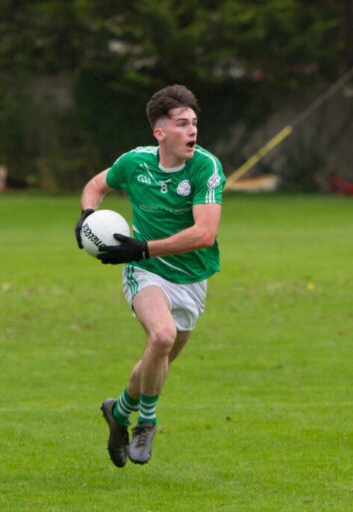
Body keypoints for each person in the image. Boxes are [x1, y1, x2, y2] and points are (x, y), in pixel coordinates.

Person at [74, 84, 225, 466]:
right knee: (161, 336)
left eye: (194, 123)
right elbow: (96, 185)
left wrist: (142, 245)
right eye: (181, 123)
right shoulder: (135, 163)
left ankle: (118, 413)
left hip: (191, 279)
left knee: (157, 361)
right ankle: (147, 424)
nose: (192, 130)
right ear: (160, 132)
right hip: (145, 273)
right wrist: (87, 218)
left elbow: (204, 234)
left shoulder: (206, 166)